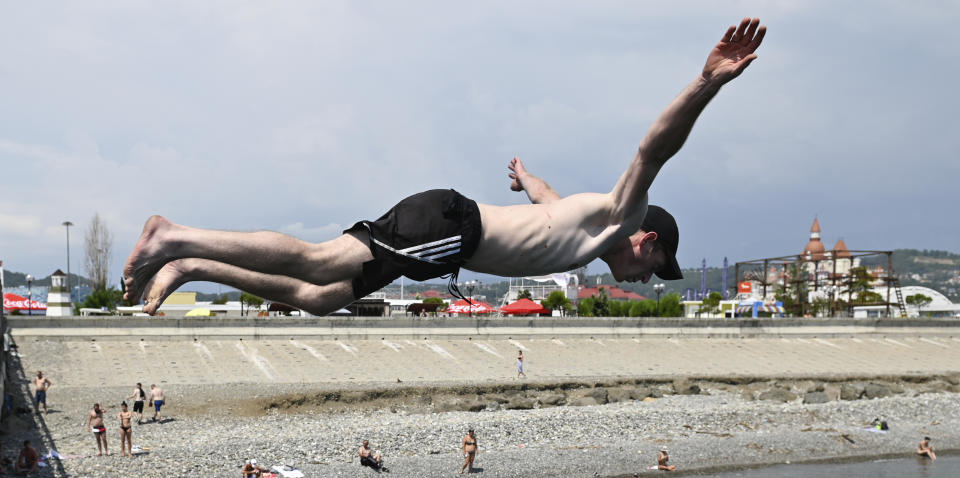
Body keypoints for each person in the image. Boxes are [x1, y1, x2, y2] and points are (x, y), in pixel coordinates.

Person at [122, 19, 766, 315]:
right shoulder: (618, 214)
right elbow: (653, 150)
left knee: (319, 298)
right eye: (656, 267)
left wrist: (526, 177)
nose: (648, 277)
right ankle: (173, 235)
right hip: (450, 226)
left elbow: (546, 199)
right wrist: (706, 84)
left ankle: (190, 265)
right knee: (319, 261)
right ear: (646, 239)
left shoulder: (582, 225)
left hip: (445, 239)